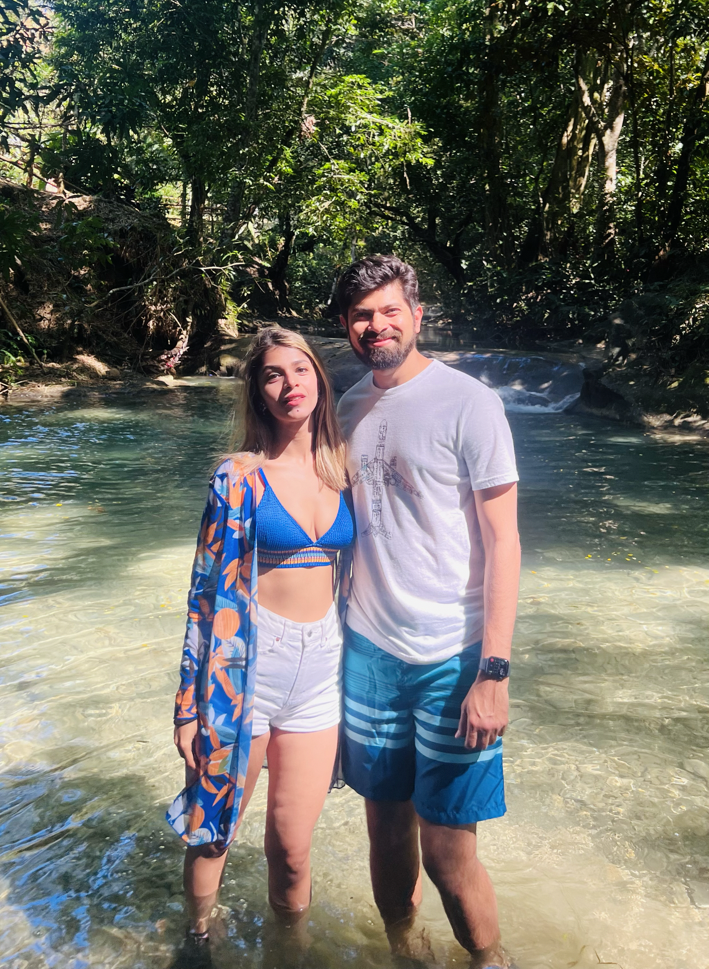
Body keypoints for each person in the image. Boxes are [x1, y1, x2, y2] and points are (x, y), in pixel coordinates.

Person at [335, 255, 520, 969]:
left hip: (453, 654)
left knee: (447, 850)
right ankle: (402, 952)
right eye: (360, 316)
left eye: (388, 311)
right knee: (384, 829)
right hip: (369, 654)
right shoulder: (347, 409)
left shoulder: (470, 403)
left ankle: (489, 959)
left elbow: (504, 540)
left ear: (416, 316)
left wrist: (494, 671)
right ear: (348, 329)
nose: (375, 326)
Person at [166, 326, 353, 949]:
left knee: (294, 850)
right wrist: (188, 706)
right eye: (273, 374)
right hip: (246, 669)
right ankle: (197, 940)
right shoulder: (238, 476)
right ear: (258, 391)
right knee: (215, 829)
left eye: (300, 371)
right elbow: (203, 594)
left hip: (321, 674)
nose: (289, 384)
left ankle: (289, 953)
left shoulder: (343, 468)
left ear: (319, 381)